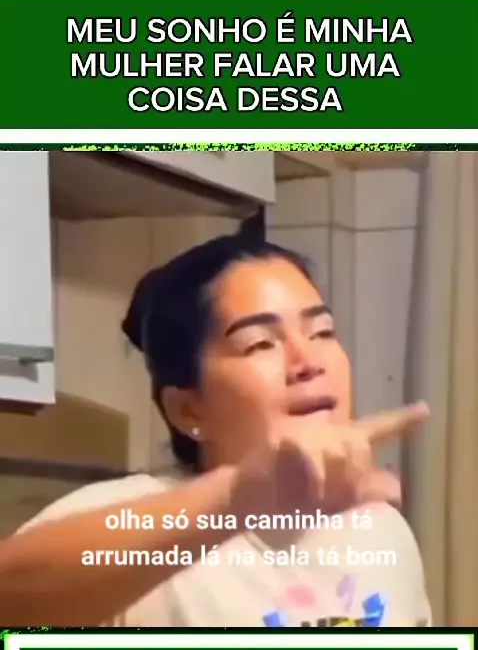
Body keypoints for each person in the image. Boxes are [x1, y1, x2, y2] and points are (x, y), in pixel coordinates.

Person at [0, 232, 432, 628]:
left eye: (322, 332)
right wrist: (237, 498)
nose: (308, 362)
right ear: (189, 409)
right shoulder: (133, 517)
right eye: (259, 343)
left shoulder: (381, 531)